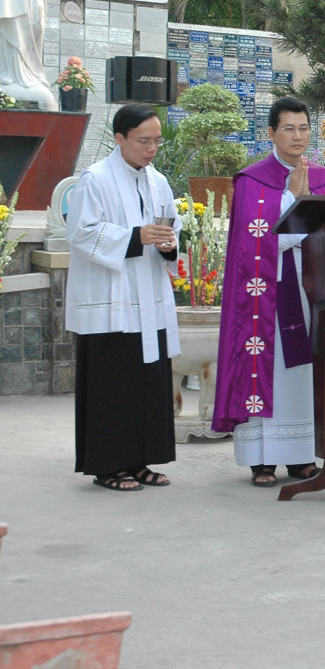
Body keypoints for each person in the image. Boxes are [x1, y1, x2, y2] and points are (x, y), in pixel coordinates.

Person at [213, 96, 325, 487]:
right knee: (269, 370)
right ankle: (262, 459)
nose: (298, 136)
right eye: (289, 128)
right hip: (267, 296)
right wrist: (293, 199)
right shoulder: (253, 181)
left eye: (304, 128)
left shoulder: (324, 179)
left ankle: (301, 456)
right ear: (271, 132)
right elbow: (254, 242)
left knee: (303, 375)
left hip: (312, 292)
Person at [66, 104, 181, 491]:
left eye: (157, 141)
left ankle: (140, 460)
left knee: (147, 381)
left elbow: (172, 226)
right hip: (112, 299)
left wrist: (167, 243)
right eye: (143, 141)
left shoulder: (158, 181)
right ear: (120, 139)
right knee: (112, 383)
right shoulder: (95, 179)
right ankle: (108, 466)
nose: (152, 149)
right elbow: (81, 233)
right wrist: (135, 236)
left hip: (149, 295)